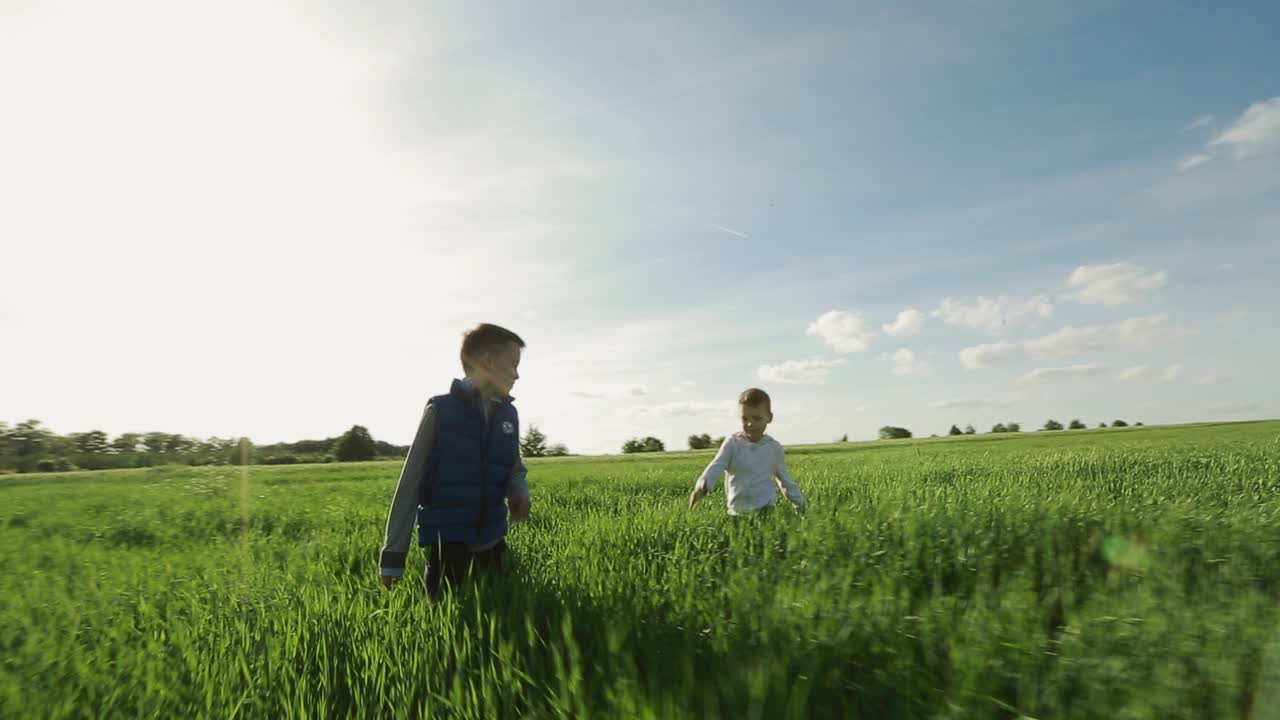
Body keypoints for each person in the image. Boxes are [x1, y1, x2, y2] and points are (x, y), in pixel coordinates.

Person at [379, 323, 531, 595]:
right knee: (445, 611)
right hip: (448, 543)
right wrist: (393, 557)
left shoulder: (509, 414)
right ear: (488, 362)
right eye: (513, 364)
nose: (517, 375)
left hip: (493, 538)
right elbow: (409, 484)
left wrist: (519, 491)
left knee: (509, 604)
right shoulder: (440, 410)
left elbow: (514, 467)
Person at [688, 388, 807, 516]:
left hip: (766, 510)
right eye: (745, 419)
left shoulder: (773, 448)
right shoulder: (733, 443)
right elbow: (717, 465)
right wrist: (702, 486)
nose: (750, 424)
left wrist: (800, 504)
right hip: (737, 512)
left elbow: (784, 480)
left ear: (769, 418)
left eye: (757, 418)